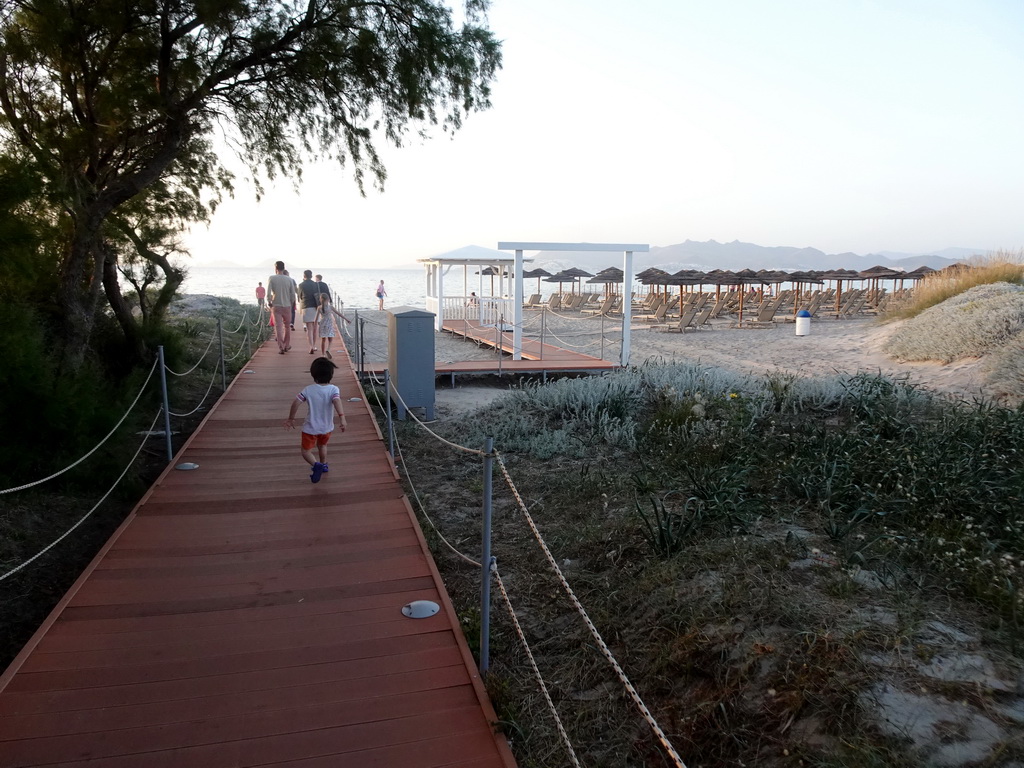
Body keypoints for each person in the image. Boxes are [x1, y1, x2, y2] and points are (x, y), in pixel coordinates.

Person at [284, 357, 347, 483]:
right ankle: (323, 465)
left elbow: (296, 402)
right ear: (331, 375)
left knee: (306, 451)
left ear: (313, 374)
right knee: (322, 445)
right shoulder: (334, 389)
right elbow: (336, 401)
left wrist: (291, 418)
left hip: (310, 428)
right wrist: (342, 418)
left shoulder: (308, 390)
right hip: (326, 427)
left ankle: (315, 464)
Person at [266, 261, 297, 353]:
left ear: (276, 268)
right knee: (287, 326)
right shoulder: (289, 279)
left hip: (276, 305)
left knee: (278, 326)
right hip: (287, 305)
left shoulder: (272, 278)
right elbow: (292, 294)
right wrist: (291, 304)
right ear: (284, 268)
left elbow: (268, 293)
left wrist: (269, 301)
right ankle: (287, 345)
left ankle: (281, 347)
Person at [316, 293, 347, 359]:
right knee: (330, 339)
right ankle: (328, 349)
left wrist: (314, 326)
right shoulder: (330, 307)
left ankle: (323, 354)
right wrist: (346, 319)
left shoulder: (319, 308)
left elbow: (316, 318)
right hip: (329, 324)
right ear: (328, 299)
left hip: (322, 324)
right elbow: (339, 314)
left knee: (323, 339)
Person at [297, 269, 321, 354]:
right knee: (315, 328)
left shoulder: (301, 285)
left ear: (304, 276)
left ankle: (310, 346)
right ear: (311, 276)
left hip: (306, 306)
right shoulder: (315, 284)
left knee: (309, 329)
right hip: (315, 307)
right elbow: (318, 295)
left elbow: (299, 297)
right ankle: (314, 345)